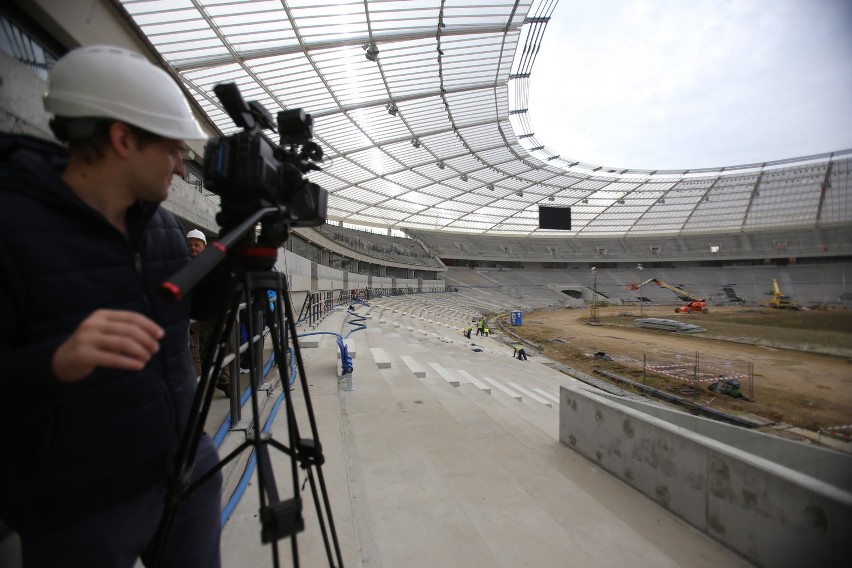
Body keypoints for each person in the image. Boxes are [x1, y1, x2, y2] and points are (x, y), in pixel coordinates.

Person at [0, 45, 221, 567]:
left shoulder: (164, 231)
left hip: (185, 471)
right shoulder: (11, 227)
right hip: (80, 507)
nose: (182, 170)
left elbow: (193, 323)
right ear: (122, 139)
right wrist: (55, 362)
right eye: (172, 151)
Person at [186, 228, 233, 396]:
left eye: (196, 244)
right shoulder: (184, 265)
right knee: (193, 350)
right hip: (192, 316)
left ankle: (224, 380)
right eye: (190, 244)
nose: (193, 248)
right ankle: (198, 382)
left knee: (221, 346)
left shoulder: (214, 263)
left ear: (204, 246)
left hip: (214, 314)